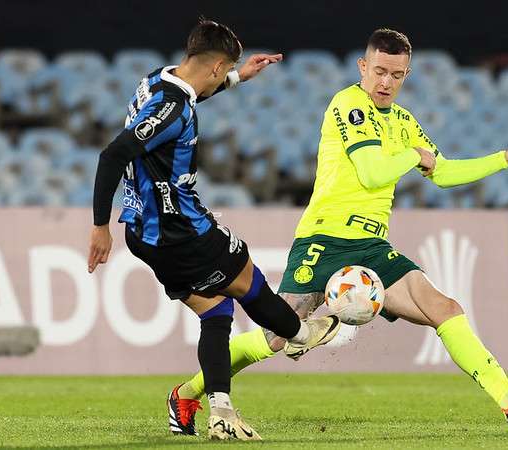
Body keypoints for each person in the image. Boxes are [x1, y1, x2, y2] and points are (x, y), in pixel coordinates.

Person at [174, 28, 508, 433]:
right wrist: (413, 155)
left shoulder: (402, 121)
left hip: (371, 247)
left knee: (444, 308)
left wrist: (504, 159)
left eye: (396, 75)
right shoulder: (349, 106)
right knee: (277, 338)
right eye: (379, 71)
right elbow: (371, 172)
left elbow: (444, 171)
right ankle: (187, 393)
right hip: (323, 240)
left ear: (406, 75)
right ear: (363, 67)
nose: (386, 82)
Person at [87, 19, 341, 441]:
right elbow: (112, 155)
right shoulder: (173, 107)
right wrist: (99, 227)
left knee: (215, 310)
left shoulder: (155, 80)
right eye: (226, 70)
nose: (222, 78)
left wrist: (240, 77)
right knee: (247, 279)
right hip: (180, 229)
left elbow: (186, 100)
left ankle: (215, 408)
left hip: (144, 234)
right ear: (216, 64)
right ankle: (300, 334)